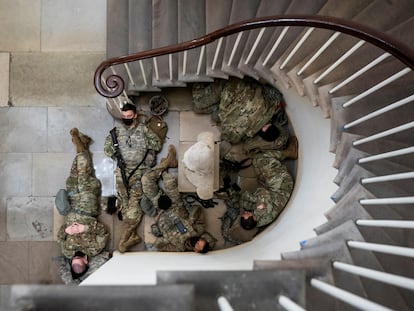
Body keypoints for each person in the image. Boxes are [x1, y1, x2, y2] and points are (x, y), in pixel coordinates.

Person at [104, 103, 163, 252]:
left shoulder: (144, 130)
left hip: (139, 172)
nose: (126, 119)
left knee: (134, 204)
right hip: (122, 172)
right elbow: (107, 149)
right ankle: (132, 232)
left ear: (135, 115)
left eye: (129, 116)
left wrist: (147, 156)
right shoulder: (116, 132)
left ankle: (128, 232)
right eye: (124, 117)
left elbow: (156, 145)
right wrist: (116, 152)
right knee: (123, 201)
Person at [57, 128, 109, 284]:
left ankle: (82, 146)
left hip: (71, 204)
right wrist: (85, 229)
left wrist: (66, 230)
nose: (76, 256)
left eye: (74, 259)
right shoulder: (94, 249)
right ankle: (79, 145)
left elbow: (60, 236)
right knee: (83, 172)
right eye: (79, 259)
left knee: (74, 175)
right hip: (87, 206)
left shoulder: (67, 251)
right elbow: (103, 231)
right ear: (86, 262)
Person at [140, 145, 217, 253]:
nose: (199, 241)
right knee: (170, 181)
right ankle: (166, 165)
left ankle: (165, 165)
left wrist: (166, 236)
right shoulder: (197, 230)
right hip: (175, 204)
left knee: (146, 180)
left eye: (199, 245)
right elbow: (197, 209)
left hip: (159, 210)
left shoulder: (178, 247)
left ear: (196, 250)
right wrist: (191, 219)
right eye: (201, 241)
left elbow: (158, 244)